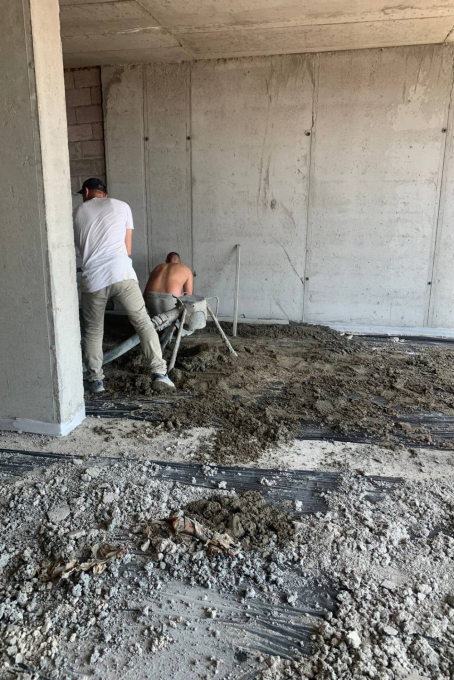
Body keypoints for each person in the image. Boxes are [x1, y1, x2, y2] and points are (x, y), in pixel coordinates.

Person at [73, 178, 174, 393]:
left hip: (94, 280)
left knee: (93, 331)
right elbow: (127, 249)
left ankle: (96, 380)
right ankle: (160, 374)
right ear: (105, 193)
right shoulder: (122, 206)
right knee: (143, 323)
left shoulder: (78, 212)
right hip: (122, 274)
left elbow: (81, 247)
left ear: (87, 191)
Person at [143, 252, 193, 318]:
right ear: (180, 262)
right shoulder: (186, 269)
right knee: (173, 322)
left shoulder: (157, 268)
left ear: (166, 261)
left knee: (155, 322)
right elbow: (188, 296)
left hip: (151, 299)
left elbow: (145, 293)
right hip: (171, 300)